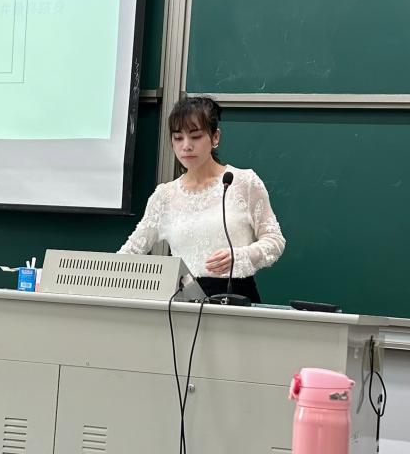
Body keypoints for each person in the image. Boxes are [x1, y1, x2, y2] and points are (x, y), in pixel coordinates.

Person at [118, 96, 285, 303]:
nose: (186, 146)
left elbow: (275, 240)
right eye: (178, 138)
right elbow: (131, 251)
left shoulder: (243, 182)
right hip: (183, 301)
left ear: (215, 137)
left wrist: (242, 256)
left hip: (236, 297)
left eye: (195, 136)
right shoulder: (164, 196)